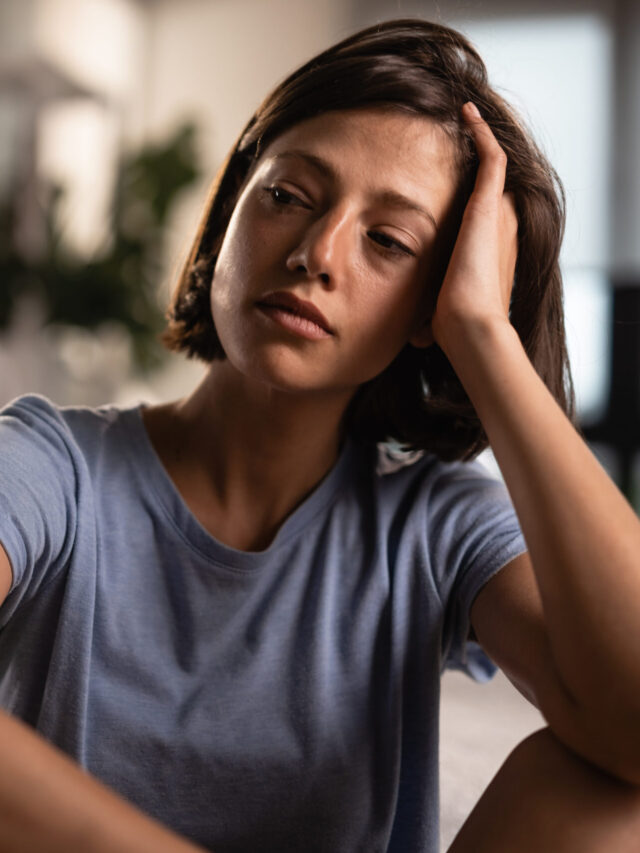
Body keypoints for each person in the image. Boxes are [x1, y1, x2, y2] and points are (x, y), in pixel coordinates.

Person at [0, 17, 639, 853]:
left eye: (388, 241)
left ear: (430, 305)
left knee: (603, 789)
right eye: (288, 195)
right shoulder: (53, 466)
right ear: (232, 207)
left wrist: (484, 334)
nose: (316, 252)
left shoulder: (439, 524)